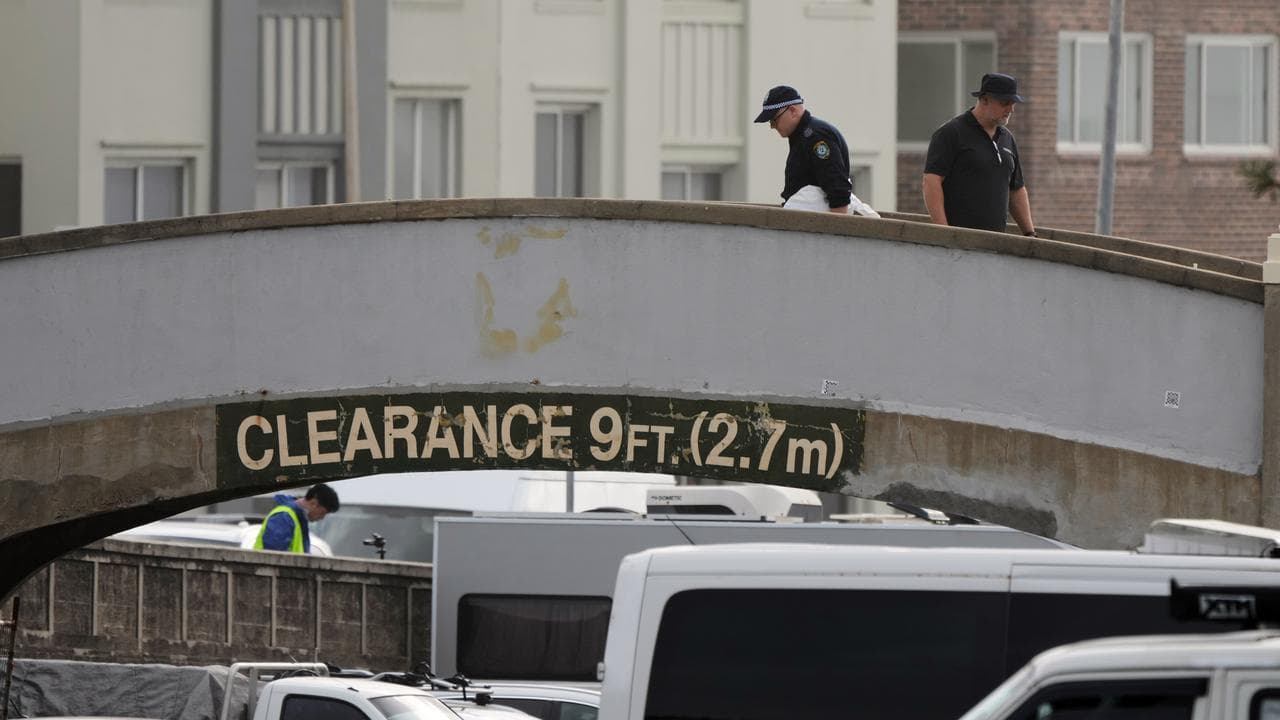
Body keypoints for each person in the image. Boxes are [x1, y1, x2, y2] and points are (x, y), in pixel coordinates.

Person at [922, 72, 1037, 236]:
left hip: (995, 244)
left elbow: (1016, 189)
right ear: (984, 99)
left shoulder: (1007, 139)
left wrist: (1030, 233)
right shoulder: (951, 133)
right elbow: (931, 181)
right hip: (959, 241)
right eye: (1005, 102)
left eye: (1013, 103)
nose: (1011, 109)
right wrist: (944, 233)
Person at [753, 85, 876, 216]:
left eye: (774, 120)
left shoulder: (816, 137)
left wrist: (837, 230)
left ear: (793, 111)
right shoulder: (804, 136)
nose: (772, 126)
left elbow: (837, 188)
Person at [254, 483, 339, 553]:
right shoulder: (284, 517)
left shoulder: (297, 518)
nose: (322, 518)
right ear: (313, 503)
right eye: (322, 513)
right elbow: (273, 558)